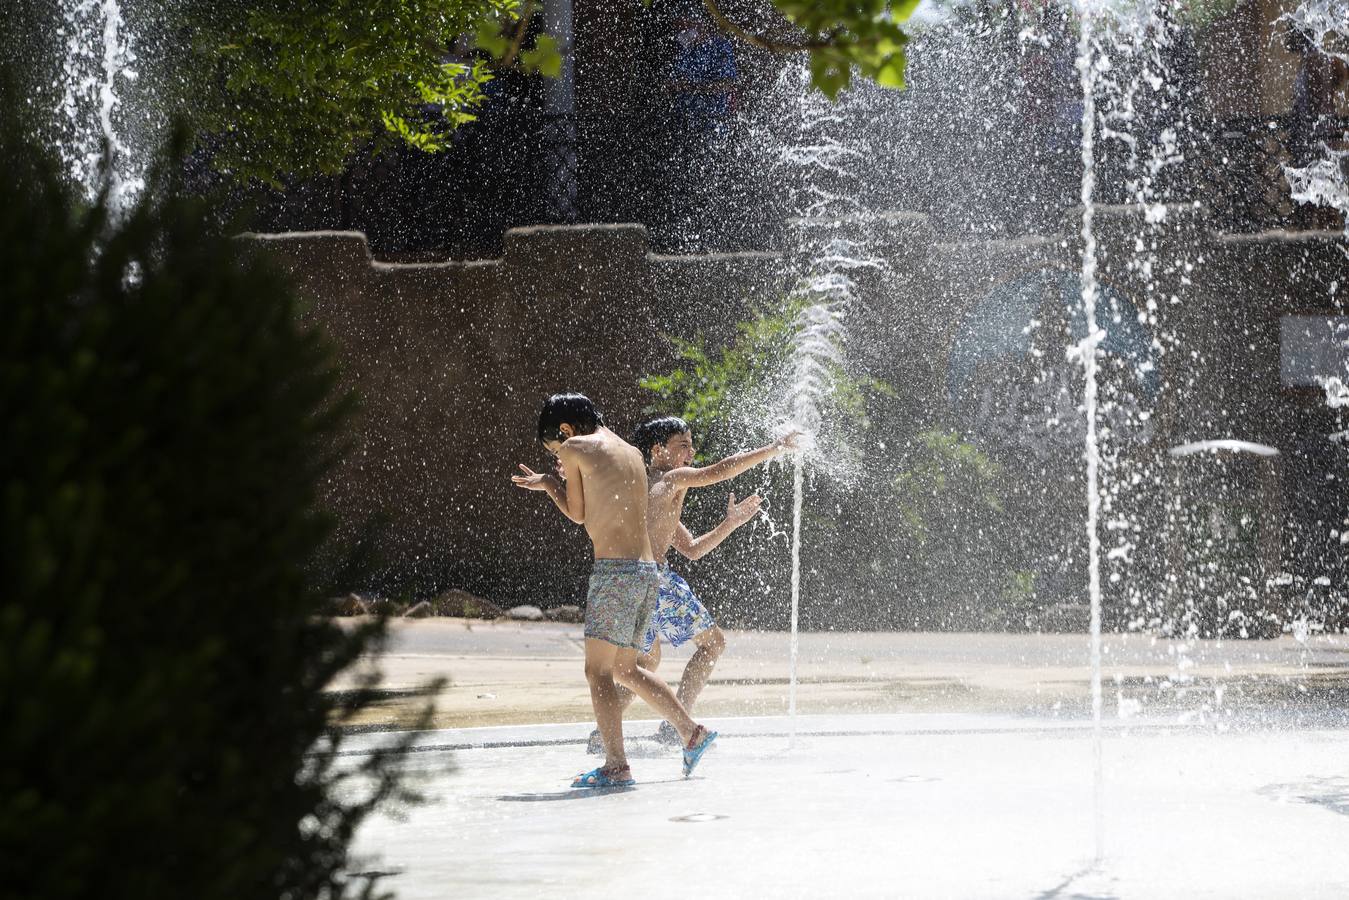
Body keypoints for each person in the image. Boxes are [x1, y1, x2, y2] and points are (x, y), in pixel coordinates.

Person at [512, 393, 718, 788]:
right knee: (627, 668)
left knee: (598, 671)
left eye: (555, 446)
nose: (559, 453)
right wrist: (552, 480)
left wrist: (554, 481)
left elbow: (578, 513)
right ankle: (692, 733)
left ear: (566, 430)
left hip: (615, 573)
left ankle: (616, 765)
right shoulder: (629, 451)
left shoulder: (574, 447)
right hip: (647, 573)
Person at [588, 416, 798, 752]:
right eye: (682, 445)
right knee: (712, 644)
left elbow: (692, 549)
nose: (691, 452)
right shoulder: (672, 480)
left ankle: (603, 735)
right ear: (658, 450)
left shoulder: (642, 486)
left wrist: (730, 523)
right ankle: (677, 727)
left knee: (640, 666)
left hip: (631, 583)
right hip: (655, 581)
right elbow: (719, 470)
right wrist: (772, 449)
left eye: (691, 444)